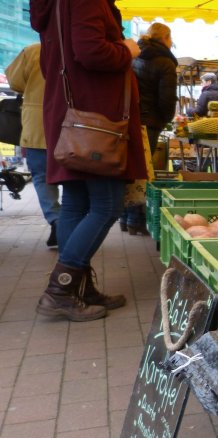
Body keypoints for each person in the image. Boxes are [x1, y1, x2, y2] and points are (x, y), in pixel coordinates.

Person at [30, 0, 145, 321]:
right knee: (107, 205)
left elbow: (51, 61)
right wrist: (127, 50)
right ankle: (61, 291)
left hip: (73, 116)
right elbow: (92, 51)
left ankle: (78, 289)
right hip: (96, 119)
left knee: (76, 203)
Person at [119, 22, 178, 235]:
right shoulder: (165, 63)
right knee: (144, 171)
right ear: (166, 38)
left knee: (131, 168)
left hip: (131, 119)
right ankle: (137, 219)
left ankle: (125, 218)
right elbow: (167, 98)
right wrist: (165, 119)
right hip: (151, 122)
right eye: (171, 39)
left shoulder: (135, 56)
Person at [6, 43, 61, 248]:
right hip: (73, 124)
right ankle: (73, 225)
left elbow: (14, 81)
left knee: (41, 175)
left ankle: (57, 220)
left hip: (38, 123)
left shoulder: (34, 50)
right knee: (75, 178)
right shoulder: (78, 45)